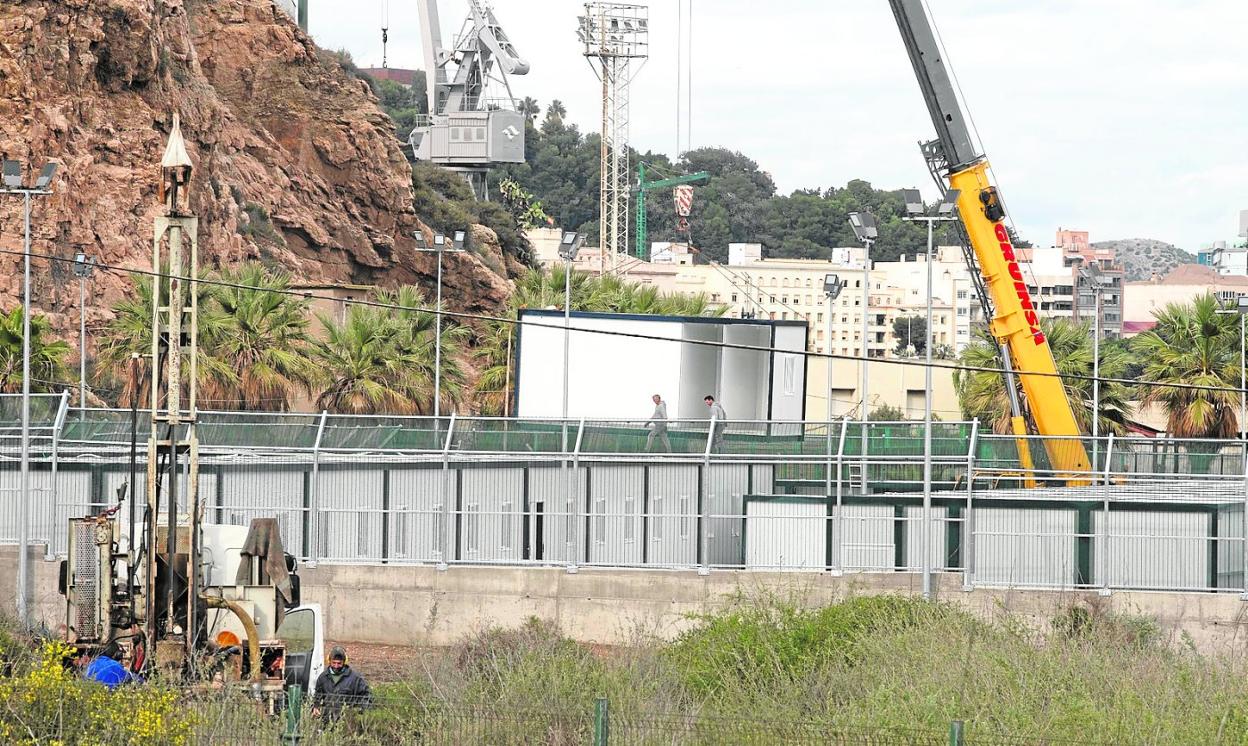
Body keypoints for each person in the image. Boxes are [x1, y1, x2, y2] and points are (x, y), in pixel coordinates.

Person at [312, 646, 373, 722]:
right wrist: (316, 707)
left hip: (347, 722)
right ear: (329, 661)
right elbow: (318, 696)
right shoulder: (323, 677)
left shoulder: (356, 678)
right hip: (326, 721)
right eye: (333, 663)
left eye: (339, 663)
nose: (336, 666)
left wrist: (359, 712)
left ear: (345, 662)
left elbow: (366, 696)